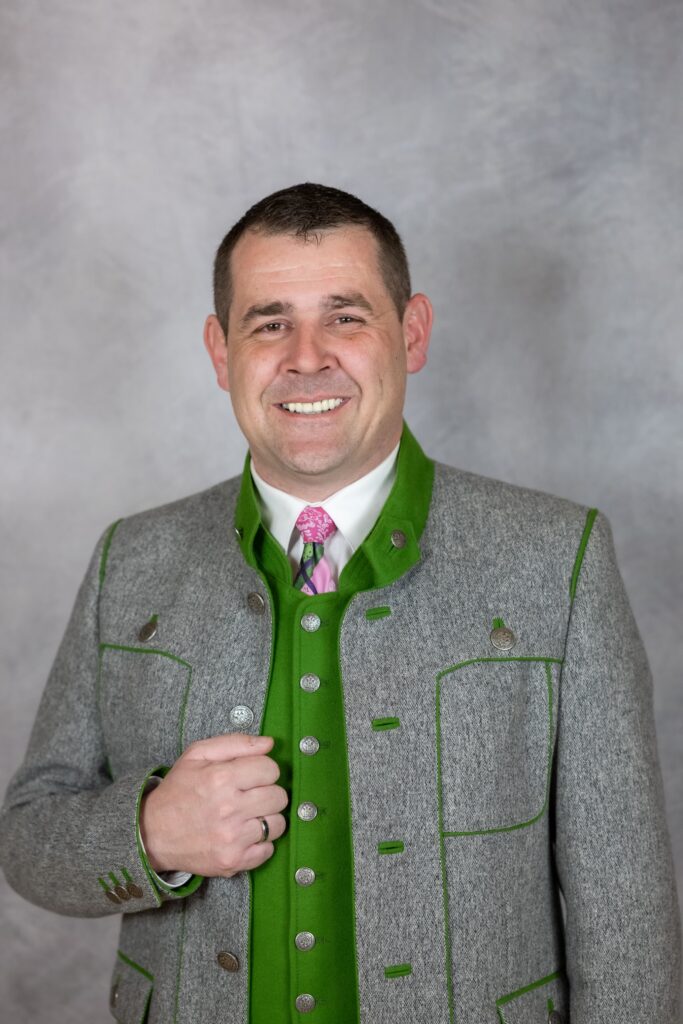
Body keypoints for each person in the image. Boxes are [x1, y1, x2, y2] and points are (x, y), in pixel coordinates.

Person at [0, 182, 680, 1024]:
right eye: (269, 323)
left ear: (412, 333)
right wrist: (148, 835)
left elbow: (626, 918)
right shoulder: (131, 561)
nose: (307, 357)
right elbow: (29, 837)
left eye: (345, 317)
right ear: (220, 352)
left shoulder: (556, 559)